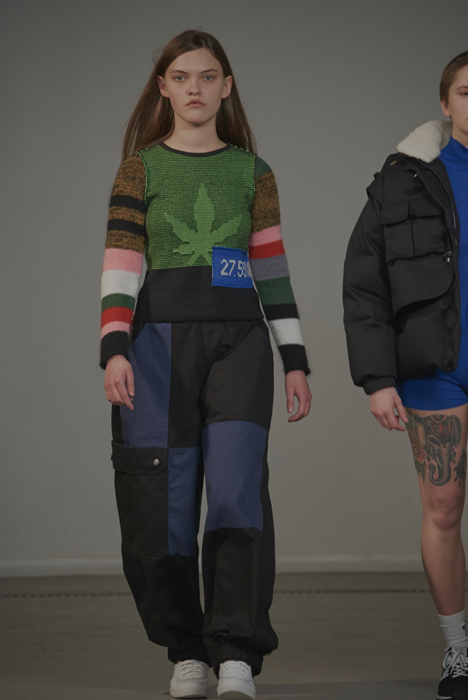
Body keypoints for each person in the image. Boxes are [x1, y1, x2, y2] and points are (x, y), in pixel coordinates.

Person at [100, 29, 311, 700]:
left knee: (236, 491)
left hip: (239, 345)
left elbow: (271, 270)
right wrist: (114, 347)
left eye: (208, 76)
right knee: (158, 502)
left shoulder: (253, 173)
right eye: (182, 76)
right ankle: (187, 650)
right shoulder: (140, 168)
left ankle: (237, 653)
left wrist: (295, 359)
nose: (195, 87)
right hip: (155, 346)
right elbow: (122, 263)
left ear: (227, 87)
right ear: (164, 88)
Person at [343, 51, 468, 699]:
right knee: (443, 510)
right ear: (445, 104)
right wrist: (377, 378)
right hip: (435, 370)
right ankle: (459, 653)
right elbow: (364, 285)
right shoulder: (402, 181)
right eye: (467, 92)